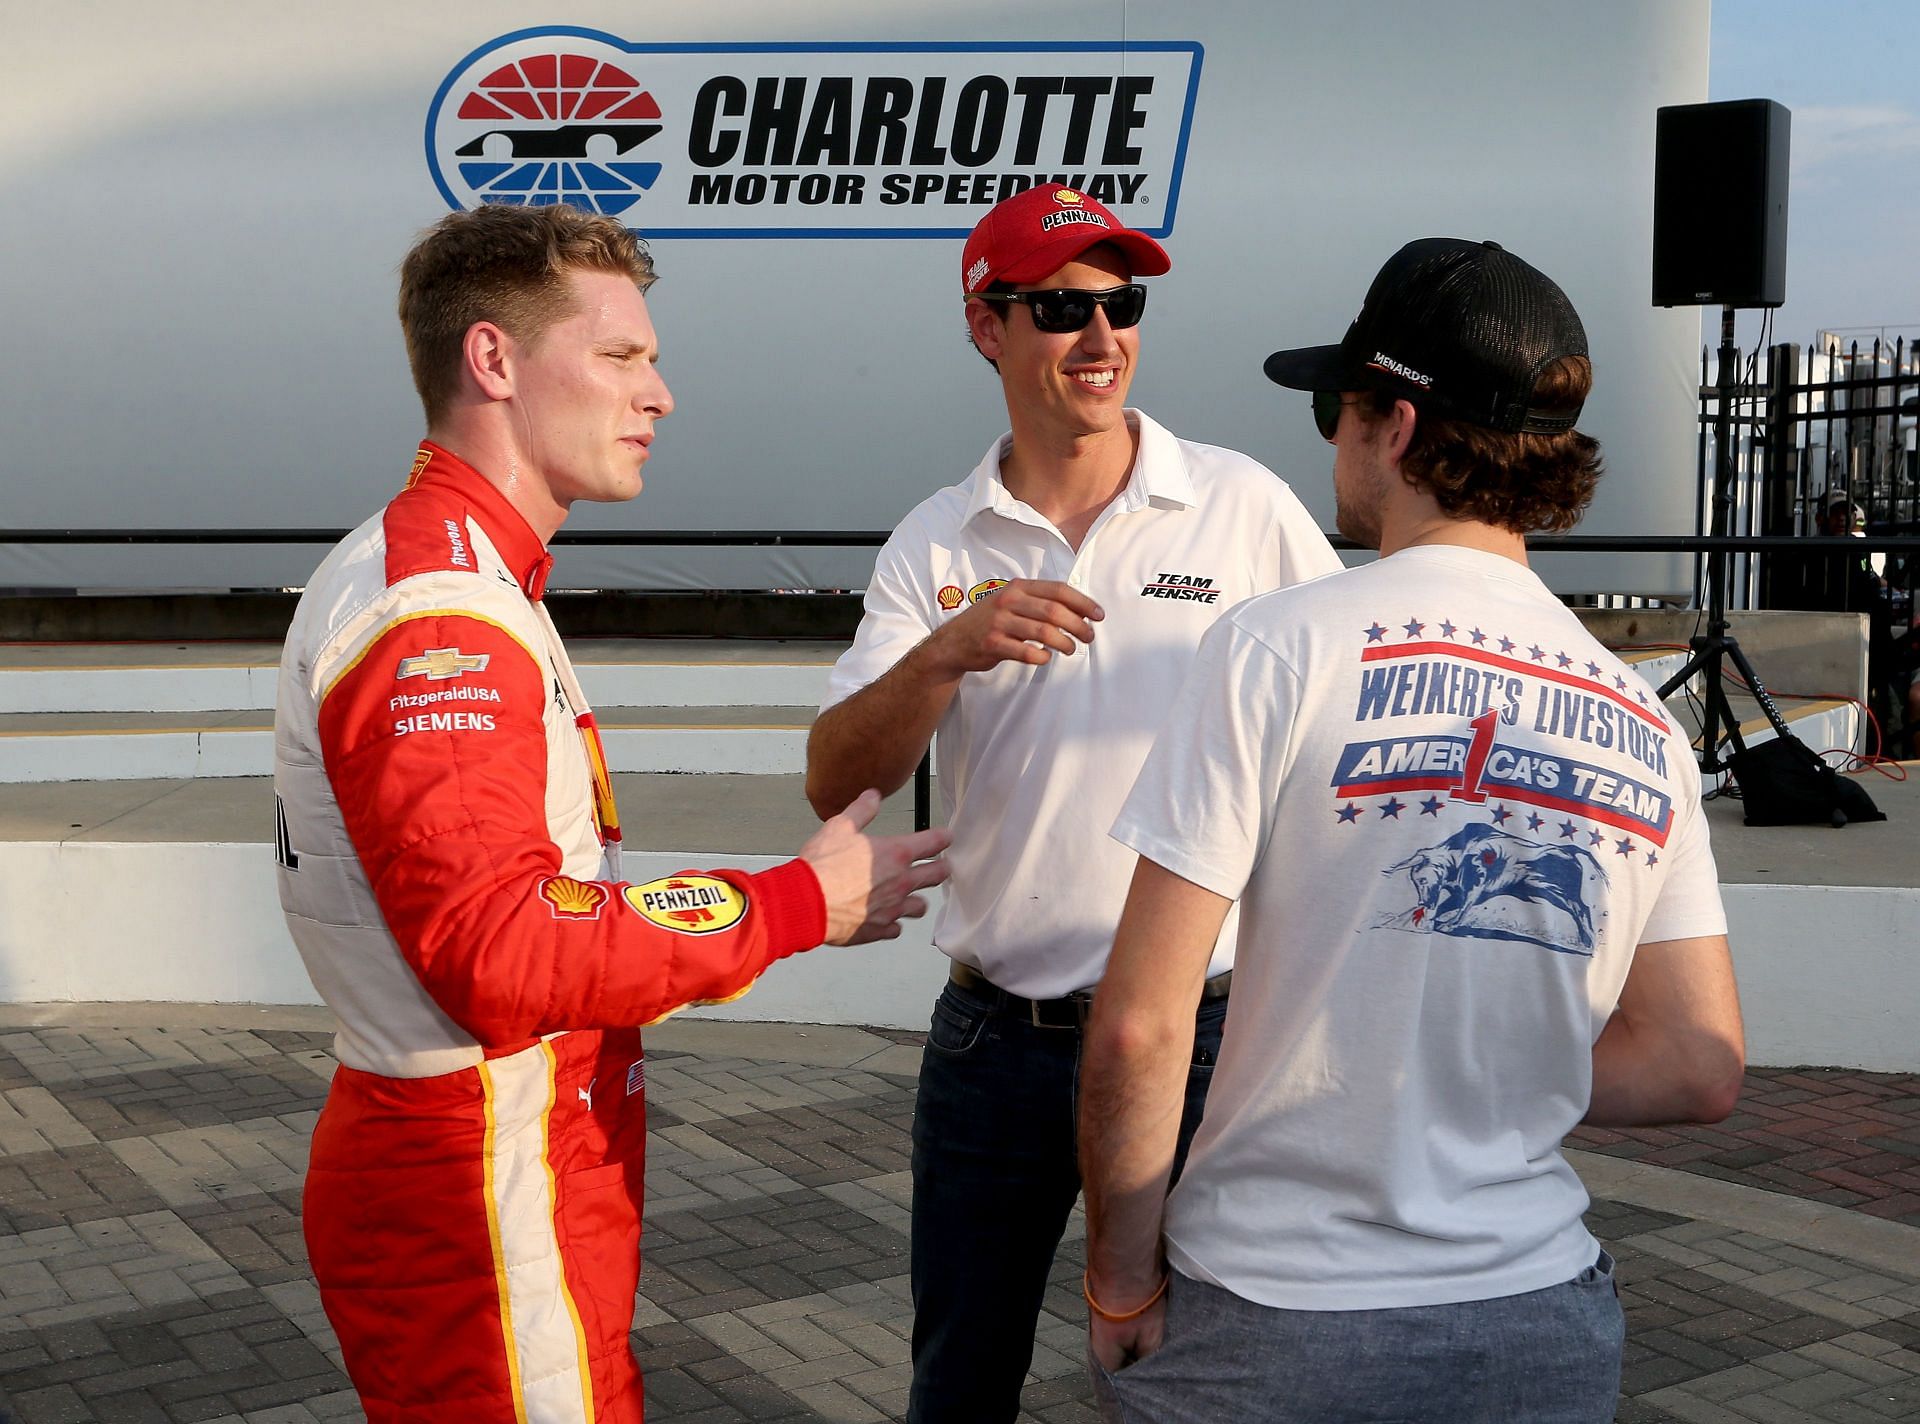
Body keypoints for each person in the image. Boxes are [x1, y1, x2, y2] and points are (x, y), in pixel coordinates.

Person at [272, 203, 949, 1424]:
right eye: (623, 357)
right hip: (481, 1183)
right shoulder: (443, 612)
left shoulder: (450, 571)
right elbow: (502, 946)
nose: (661, 394)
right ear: (494, 361)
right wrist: (795, 901)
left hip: (495, 1166)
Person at [1079, 238, 1745, 1423]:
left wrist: (1120, 1280)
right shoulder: (1645, 720)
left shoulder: (1280, 646)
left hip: (1278, 1317)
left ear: (1393, 423)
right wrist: (1483, 1070)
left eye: (1337, 406)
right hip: (1539, 1318)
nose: (1329, 435)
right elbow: (1698, 1062)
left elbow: (1139, 1023)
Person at [805, 183, 1340, 1422]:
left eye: (1123, 303)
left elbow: (1342, 722)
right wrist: (946, 650)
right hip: (997, 1043)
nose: (1103, 338)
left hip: (1205, 1039)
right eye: (1061, 307)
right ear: (986, 328)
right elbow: (837, 777)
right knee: (959, 1384)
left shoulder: (1243, 505)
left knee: (1199, 1382)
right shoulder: (937, 544)